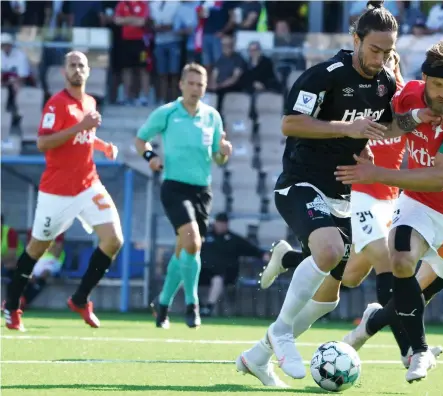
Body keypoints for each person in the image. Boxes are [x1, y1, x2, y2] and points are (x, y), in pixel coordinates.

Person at [235, 4, 399, 385]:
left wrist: (391, 134)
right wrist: (347, 128)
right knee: (328, 252)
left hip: (345, 195)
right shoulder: (324, 76)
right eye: (375, 49)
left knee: (330, 296)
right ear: (356, 39)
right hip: (301, 183)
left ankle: (257, 357)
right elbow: (289, 123)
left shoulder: (385, 82)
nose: (381, 58)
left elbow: (382, 129)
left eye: (388, 51)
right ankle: (281, 332)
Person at [257, 51, 442, 375]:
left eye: (391, 58)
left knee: (340, 285)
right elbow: (301, 122)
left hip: (386, 196)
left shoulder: (399, 97)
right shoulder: (366, 92)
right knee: (385, 261)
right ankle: (410, 349)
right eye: (381, 55)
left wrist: (421, 115)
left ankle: (259, 352)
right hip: (362, 192)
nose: (384, 62)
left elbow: (400, 126)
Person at [336, 39, 443, 383]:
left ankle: (370, 323)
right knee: (400, 259)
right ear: (425, 79)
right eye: (439, 85)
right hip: (418, 202)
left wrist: (377, 174)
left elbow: (439, 177)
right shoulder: (410, 95)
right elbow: (391, 128)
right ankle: (419, 353)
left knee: (413, 296)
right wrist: (411, 118)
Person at [3, 51, 122, 332]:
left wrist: (102, 146)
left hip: (88, 184)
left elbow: (83, 137)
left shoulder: (90, 102)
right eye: (72, 65)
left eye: (82, 65)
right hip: (56, 192)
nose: (77, 69)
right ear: (63, 72)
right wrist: (82, 126)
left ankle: (80, 299)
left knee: (114, 239)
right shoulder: (56, 105)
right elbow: (44, 143)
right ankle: (11, 306)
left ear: (89, 71)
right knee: (36, 248)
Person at [136, 63, 233, 329]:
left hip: (202, 191)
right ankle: (193, 305)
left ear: (205, 87)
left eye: (200, 84)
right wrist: (150, 156)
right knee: (192, 242)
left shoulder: (212, 116)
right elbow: (140, 139)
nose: (195, 89)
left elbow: (217, 157)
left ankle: (163, 304)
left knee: (185, 250)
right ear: (181, 84)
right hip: (174, 186)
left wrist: (224, 151)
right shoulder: (167, 113)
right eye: (190, 83)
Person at [199, 212, 269, 317]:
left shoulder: (234, 239)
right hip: (203, 271)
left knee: (217, 280)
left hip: (225, 274)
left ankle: (208, 308)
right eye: (220, 223)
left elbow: (252, 249)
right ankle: (198, 306)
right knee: (184, 279)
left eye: (224, 223)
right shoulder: (204, 237)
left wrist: (264, 255)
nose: (221, 225)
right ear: (215, 223)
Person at [20, 232, 65, 310]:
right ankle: (19, 300)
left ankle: (25, 301)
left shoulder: (59, 231)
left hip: (54, 260)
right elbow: (31, 250)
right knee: (27, 274)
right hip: (38, 259)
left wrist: (43, 245)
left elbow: (57, 253)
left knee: (44, 274)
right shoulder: (34, 230)